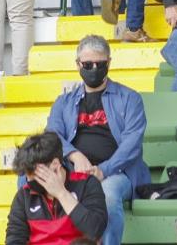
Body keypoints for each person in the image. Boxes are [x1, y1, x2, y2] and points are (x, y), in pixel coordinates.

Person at [43, 35, 149, 245]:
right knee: (29, 179)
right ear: (77, 65)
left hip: (118, 172)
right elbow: (52, 134)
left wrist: (103, 170)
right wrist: (75, 155)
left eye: (100, 64)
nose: (93, 69)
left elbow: (132, 145)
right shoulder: (64, 102)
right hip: (73, 170)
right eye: (87, 64)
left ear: (109, 63)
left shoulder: (130, 98)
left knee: (107, 196)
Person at [5, 131, 108, 245]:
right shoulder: (24, 195)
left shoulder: (87, 184)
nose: (29, 181)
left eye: (35, 174)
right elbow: (14, 240)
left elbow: (95, 230)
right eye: (27, 176)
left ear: (55, 165)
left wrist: (61, 193)